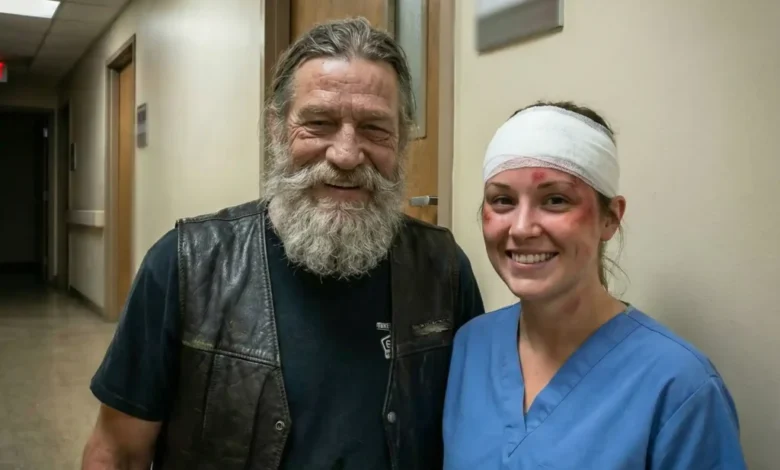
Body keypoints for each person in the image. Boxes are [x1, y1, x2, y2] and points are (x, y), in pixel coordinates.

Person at [81, 17, 484, 470]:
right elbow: (118, 453)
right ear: (276, 129)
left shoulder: (443, 270)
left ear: (401, 140)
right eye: (319, 123)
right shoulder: (185, 266)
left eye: (374, 128)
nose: (346, 155)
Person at [442, 101, 747, 469]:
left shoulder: (679, 386)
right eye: (502, 200)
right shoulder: (471, 346)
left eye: (555, 200)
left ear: (610, 218)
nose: (521, 229)